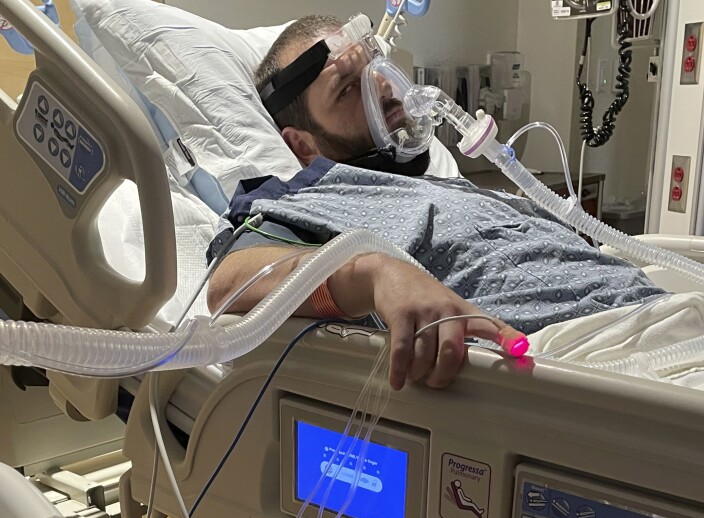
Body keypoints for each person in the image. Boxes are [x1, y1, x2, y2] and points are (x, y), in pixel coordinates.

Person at [206, 15, 665, 391]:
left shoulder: (440, 184)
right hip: (592, 364)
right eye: (347, 89)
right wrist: (373, 275)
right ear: (303, 144)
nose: (383, 89)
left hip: (661, 320)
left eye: (375, 68)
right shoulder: (306, 198)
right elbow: (230, 284)